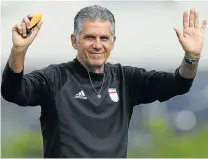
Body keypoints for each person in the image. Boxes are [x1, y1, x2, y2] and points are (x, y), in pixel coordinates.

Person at [1, 5, 207, 158]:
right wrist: (19, 50)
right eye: (90, 37)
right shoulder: (55, 77)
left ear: (113, 42)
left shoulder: (126, 79)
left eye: (104, 38)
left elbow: (179, 83)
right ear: (75, 41)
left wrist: (191, 57)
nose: (98, 45)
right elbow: (13, 92)